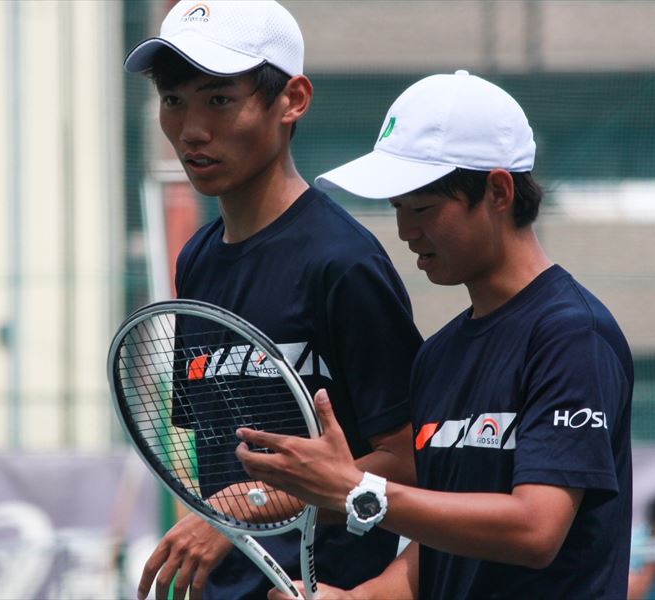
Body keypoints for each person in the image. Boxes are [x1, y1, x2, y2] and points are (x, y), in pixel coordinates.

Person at [237, 71, 634, 599]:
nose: (404, 230)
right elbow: (446, 535)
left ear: (498, 190)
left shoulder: (571, 335)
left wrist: (356, 487)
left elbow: (535, 528)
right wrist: (359, 598)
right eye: (397, 209)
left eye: (422, 208)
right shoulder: (437, 356)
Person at [122, 2, 423, 599]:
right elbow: (219, 456)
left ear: (293, 100)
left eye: (219, 100)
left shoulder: (343, 262)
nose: (191, 129)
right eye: (174, 100)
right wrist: (222, 516)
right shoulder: (198, 261)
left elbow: (413, 461)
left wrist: (242, 509)